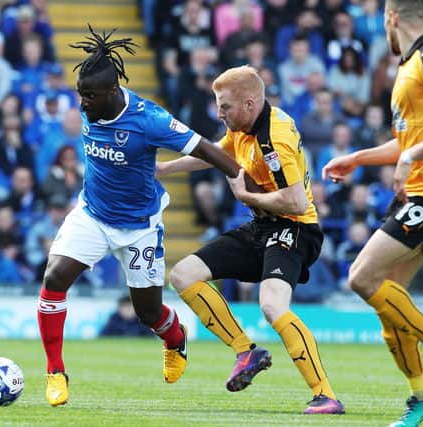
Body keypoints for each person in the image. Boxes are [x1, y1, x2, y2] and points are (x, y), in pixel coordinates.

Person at [38, 27, 261, 407]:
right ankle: (56, 371)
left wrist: (246, 184)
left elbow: (205, 148)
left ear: (112, 92)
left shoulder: (149, 119)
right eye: (81, 95)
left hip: (140, 225)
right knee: (54, 277)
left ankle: (175, 339)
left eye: (89, 96)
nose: (82, 103)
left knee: (148, 311)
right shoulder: (91, 101)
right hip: (92, 214)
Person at [157, 65, 345, 415]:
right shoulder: (243, 128)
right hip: (262, 226)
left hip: (295, 228)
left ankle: (325, 395)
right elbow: (216, 154)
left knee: (273, 305)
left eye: (225, 106)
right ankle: (246, 351)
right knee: (183, 275)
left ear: (249, 102)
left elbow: (296, 202)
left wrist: (248, 198)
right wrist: (165, 169)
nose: (219, 113)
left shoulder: (275, 138)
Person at [322, 1, 423, 425]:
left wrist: (409, 161)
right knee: (389, 302)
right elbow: (407, 141)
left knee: (361, 277)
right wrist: (359, 158)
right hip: (417, 194)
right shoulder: (407, 67)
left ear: (391, 18)